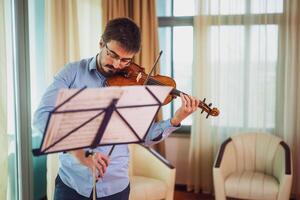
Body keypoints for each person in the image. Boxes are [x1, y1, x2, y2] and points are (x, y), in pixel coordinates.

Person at [34, 17, 200, 200]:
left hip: (115, 187)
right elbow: (41, 117)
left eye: (125, 60)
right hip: (72, 185)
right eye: (112, 55)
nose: (116, 64)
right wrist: (80, 153)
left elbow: (143, 136)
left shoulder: (135, 86)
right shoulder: (72, 73)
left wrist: (176, 119)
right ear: (101, 43)